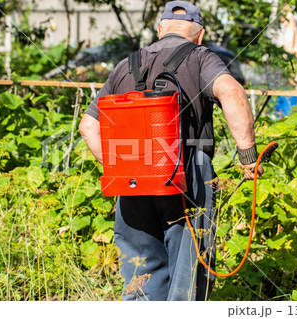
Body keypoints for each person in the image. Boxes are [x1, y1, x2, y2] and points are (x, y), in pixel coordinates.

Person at [79, 1, 263, 301]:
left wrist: (121, 166)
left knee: (140, 273)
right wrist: (248, 156)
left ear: (160, 30)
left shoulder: (126, 64)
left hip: (133, 177)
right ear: (199, 35)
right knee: (187, 273)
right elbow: (231, 91)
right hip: (187, 173)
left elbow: (88, 126)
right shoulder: (201, 57)